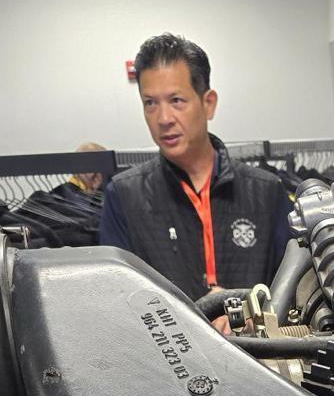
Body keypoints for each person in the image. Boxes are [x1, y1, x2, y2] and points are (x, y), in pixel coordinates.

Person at [100, 32, 290, 300]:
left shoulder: (265, 192)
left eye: (176, 101)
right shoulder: (124, 197)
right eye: (150, 103)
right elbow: (118, 299)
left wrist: (254, 311)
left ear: (208, 103)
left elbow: (294, 294)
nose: (163, 118)